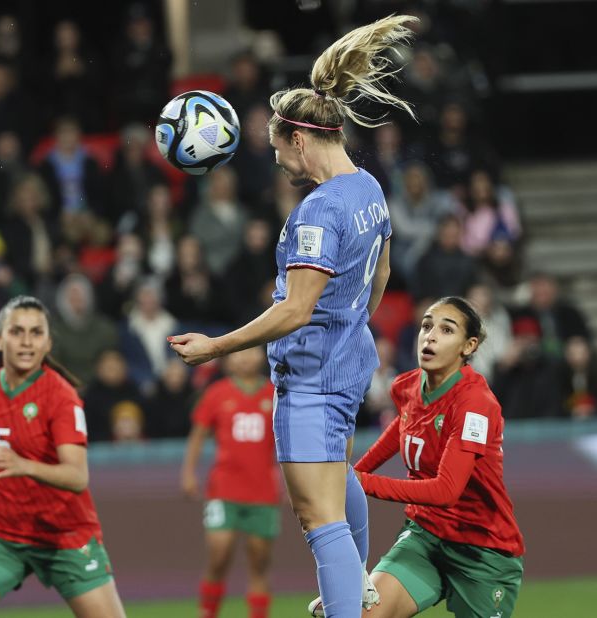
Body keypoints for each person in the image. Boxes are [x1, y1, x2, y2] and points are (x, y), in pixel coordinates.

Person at [169, 15, 419, 617]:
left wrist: (215, 348)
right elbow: (380, 277)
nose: (277, 161)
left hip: (311, 378)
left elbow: (297, 309)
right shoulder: (369, 189)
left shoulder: (319, 210)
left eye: (278, 149)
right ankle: (356, 584)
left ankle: (347, 604)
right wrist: (351, 329)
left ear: (300, 139)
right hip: (350, 362)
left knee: (315, 512)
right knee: (336, 473)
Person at [0, 295, 125, 618]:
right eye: (17, 332)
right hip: (4, 537)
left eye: (36, 332)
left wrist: (23, 465)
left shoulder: (61, 396)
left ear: (48, 343)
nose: (26, 342)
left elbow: (77, 476)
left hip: (66, 538)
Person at [336, 297, 524, 617]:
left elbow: (446, 490)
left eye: (446, 330)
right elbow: (404, 425)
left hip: (482, 550)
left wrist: (360, 480)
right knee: (363, 614)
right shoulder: (408, 386)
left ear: (469, 346)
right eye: (426, 326)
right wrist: (351, 473)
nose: (430, 336)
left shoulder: (475, 404)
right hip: (424, 537)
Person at [181, 346, 281, 618]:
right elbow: (198, 435)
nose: (246, 358)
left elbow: (289, 440)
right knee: (218, 555)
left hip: (263, 491)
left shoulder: (274, 393)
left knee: (259, 563)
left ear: (262, 356)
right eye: (240, 353)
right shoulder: (216, 393)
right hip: (223, 489)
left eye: (251, 352)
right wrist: (189, 472)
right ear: (229, 359)